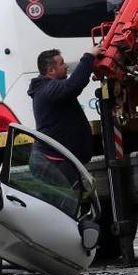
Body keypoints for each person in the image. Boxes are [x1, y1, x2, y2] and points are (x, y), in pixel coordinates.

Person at [26, 46, 102, 211]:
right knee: (64, 209)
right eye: (62, 64)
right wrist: (88, 57)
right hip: (52, 162)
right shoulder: (48, 89)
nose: (66, 66)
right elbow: (72, 86)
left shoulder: (48, 88)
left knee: (71, 207)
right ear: (51, 70)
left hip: (58, 160)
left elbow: (73, 86)